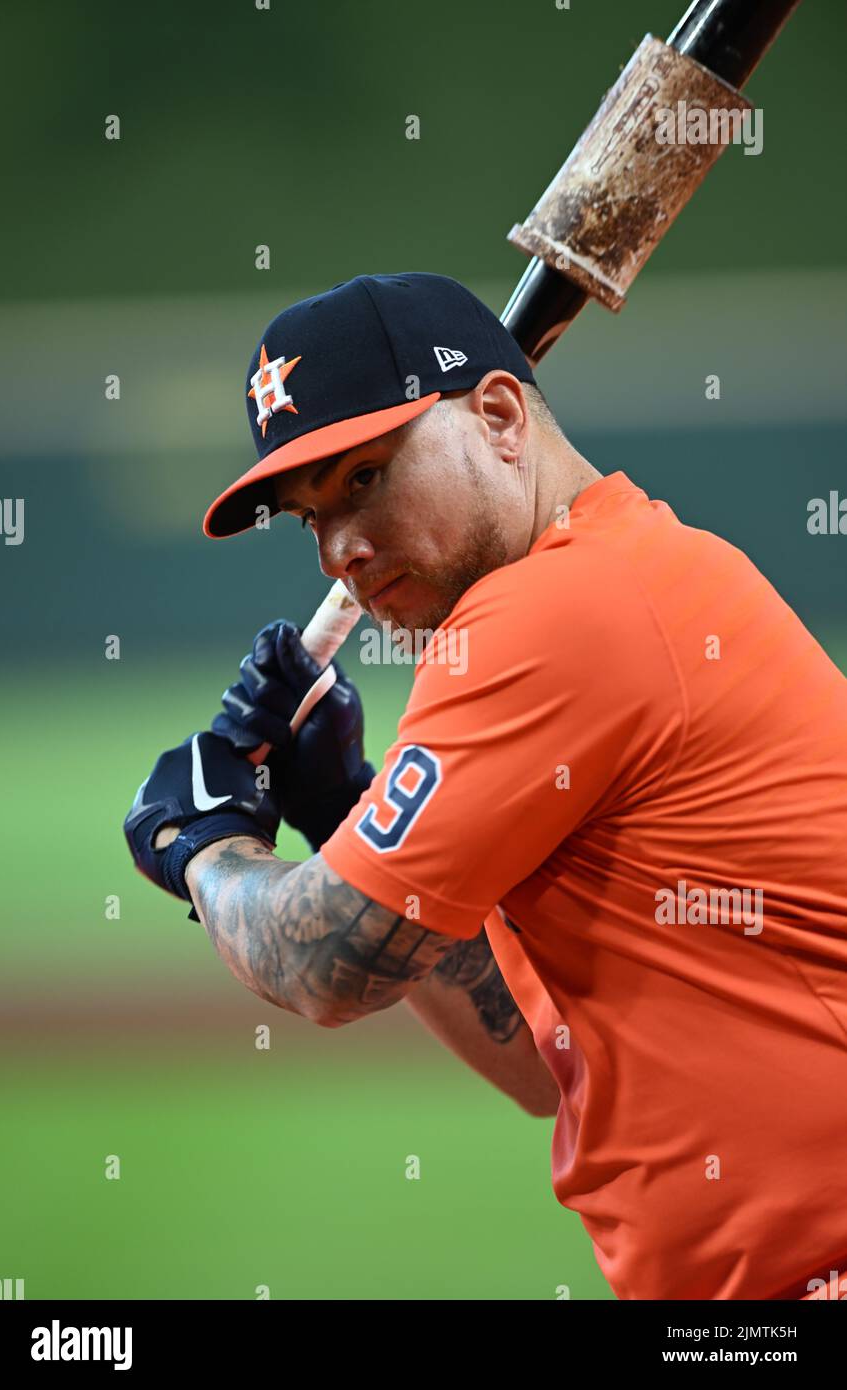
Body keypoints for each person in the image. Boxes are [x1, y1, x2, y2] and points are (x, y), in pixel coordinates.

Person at [125, 272, 847, 1301]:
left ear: (500, 415)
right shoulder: (609, 574)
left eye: (365, 478)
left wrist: (200, 843)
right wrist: (345, 818)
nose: (341, 551)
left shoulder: (557, 609)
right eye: (309, 516)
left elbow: (328, 963)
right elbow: (539, 1063)